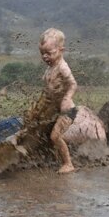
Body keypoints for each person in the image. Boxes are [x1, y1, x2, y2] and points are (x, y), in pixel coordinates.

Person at [38, 28, 80, 174]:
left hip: (67, 111)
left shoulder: (62, 67)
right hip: (54, 109)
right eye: (42, 53)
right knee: (44, 132)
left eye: (49, 53)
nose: (44, 57)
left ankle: (68, 164)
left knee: (55, 136)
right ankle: (54, 157)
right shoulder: (50, 69)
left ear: (61, 50)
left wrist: (67, 98)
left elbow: (73, 84)